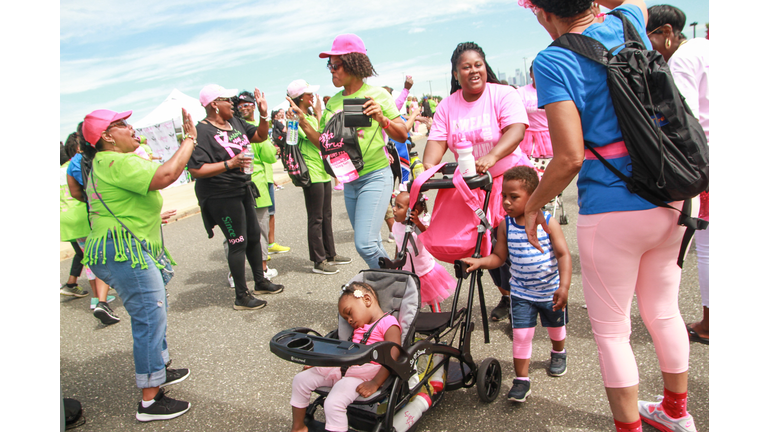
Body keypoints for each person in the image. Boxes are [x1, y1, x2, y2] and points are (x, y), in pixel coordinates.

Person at [520, 1, 696, 431]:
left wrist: (532, 204)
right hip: (671, 194)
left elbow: (568, 158)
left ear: (542, 13)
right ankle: (677, 415)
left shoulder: (554, 58)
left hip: (612, 209)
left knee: (614, 333)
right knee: (664, 311)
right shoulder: (629, 21)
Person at [79, 108, 196, 421]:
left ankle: (159, 369)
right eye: (121, 124)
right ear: (106, 137)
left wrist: (146, 217)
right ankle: (150, 399)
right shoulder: (117, 160)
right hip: (122, 249)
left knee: (154, 309)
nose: (131, 128)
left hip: (120, 244)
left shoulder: (105, 163)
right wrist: (189, 141)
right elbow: (166, 176)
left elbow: (115, 204)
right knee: (148, 316)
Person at [422, 41, 532, 324]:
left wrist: (493, 156)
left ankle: (527, 298)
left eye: (478, 65)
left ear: (486, 67)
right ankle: (508, 295)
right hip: (475, 188)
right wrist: (425, 172)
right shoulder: (447, 106)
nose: (473, 71)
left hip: (511, 181)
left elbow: (516, 131)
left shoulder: (503, 94)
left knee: (517, 243)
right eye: (466, 67)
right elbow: (434, 147)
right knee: (488, 245)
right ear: (455, 74)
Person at [290, 33, 409, 269]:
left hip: (375, 176)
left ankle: (396, 285)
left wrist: (382, 118)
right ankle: (391, 286)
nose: (331, 71)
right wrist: (303, 122)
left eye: (336, 65)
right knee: (372, 241)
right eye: (329, 66)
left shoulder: (378, 95)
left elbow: (402, 134)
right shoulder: (333, 103)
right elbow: (324, 144)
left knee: (364, 244)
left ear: (354, 63)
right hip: (349, 180)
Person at [461, 166, 571, 403]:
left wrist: (564, 286)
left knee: (555, 327)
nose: (507, 202)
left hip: (550, 290)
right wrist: (480, 262)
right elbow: (499, 257)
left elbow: (563, 255)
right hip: (521, 292)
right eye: (504, 196)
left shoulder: (548, 223)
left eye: (514, 197)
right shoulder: (505, 226)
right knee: (521, 336)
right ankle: (521, 380)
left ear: (533, 197)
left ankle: (558, 352)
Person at [187, 84, 285, 311]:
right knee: (237, 242)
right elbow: (195, 169)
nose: (232, 103)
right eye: (226, 99)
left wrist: (263, 114)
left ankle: (260, 281)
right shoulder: (201, 132)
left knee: (252, 236)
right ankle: (241, 295)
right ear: (214, 105)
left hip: (242, 187)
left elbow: (260, 136)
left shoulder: (236, 123)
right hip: (219, 194)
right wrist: (229, 164)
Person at [646, 4, 709, 345]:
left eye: (651, 37)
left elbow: (684, 120)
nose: (649, 46)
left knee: (706, 245)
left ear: (667, 33)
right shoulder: (707, 48)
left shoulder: (679, 61)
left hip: (703, 164)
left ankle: (709, 322)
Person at [289, 282, 402, 432]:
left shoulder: (388, 323)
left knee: (333, 403)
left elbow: (393, 354)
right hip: (345, 366)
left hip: (364, 375)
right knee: (300, 380)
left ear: (367, 300)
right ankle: (298, 427)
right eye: (345, 317)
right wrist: (319, 362)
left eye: (349, 312)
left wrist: (375, 382)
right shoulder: (359, 327)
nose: (348, 320)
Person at [286, 79, 352, 275]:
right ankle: (318, 260)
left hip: (322, 172)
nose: (312, 96)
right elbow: (314, 141)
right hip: (311, 173)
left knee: (327, 215)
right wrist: (293, 121)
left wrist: (317, 113)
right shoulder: (296, 118)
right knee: (316, 218)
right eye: (308, 94)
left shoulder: (309, 116)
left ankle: (330, 253)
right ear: (299, 98)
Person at [63, 125, 119, 324]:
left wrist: (89, 199)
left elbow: (75, 193)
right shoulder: (105, 157)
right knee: (113, 255)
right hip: (112, 215)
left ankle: (98, 300)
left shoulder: (73, 163)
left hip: (85, 216)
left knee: (92, 258)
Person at [234, 91, 281, 279]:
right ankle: (262, 269)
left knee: (236, 231)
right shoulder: (254, 128)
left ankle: (234, 273)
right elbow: (270, 155)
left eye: (248, 104)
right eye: (243, 105)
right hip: (257, 185)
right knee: (259, 230)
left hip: (239, 184)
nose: (246, 107)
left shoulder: (232, 128)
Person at [391, 191, 455, 311]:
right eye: (394, 205)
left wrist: (417, 223)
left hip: (424, 268)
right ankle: (413, 320)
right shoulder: (396, 225)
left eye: (399, 206)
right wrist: (396, 261)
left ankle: (437, 316)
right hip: (407, 268)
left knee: (432, 295)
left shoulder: (419, 224)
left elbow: (428, 236)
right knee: (409, 298)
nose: (394, 209)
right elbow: (399, 244)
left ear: (412, 211)